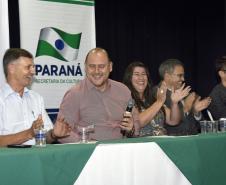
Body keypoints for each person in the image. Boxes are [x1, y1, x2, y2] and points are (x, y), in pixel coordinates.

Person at [57, 47, 140, 143]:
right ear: (85, 67)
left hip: (121, 152)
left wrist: (131, 129)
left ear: (110, 67)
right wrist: (89, 143)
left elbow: (136, 126)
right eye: (92, 66)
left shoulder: (123, 90)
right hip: (89, 154)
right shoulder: (74, 94)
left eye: (101, 66)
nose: (96, 71)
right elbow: (63, 132)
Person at [0, 48, 71, 146]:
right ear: (11, 68)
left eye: (33, 67)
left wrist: (54, 134)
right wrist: (29, 133)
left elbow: (44, 138)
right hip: (8, 160)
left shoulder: (36, 98)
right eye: (28, 67)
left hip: (36, 158)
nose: (33, 72)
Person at [123, 62, 190, 136]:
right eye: (136, 74)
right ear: (129, 78)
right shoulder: (126, 99)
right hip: (142, 145)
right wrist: (159, 102)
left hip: (161, 144)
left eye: (143, 74)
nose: (141, 78)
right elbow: (138, 122)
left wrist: (174, 103)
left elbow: (173, 121)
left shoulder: (152, 98)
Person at [156, 59, 211, 135]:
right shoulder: (156, 94)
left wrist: (196, 112)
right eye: (179, 75)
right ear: (167, 76)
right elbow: (168, 125)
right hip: (175, 142)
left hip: (195, 139)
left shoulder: (185, 91)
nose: (183, 79)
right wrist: (186, 108)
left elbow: (200, 126)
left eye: (183, 75)